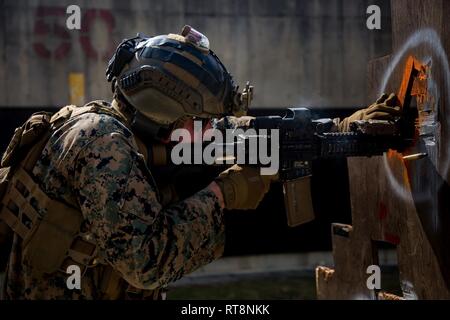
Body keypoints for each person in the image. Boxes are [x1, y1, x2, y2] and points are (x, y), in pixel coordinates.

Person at [0, 26, 400, 299]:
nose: (206, 129)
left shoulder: (129, 127)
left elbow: (229, 133)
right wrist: (222, 195)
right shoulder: (103, 144)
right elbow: (146, 261)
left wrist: (339, 126)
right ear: (165, 112)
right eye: (198, 120)